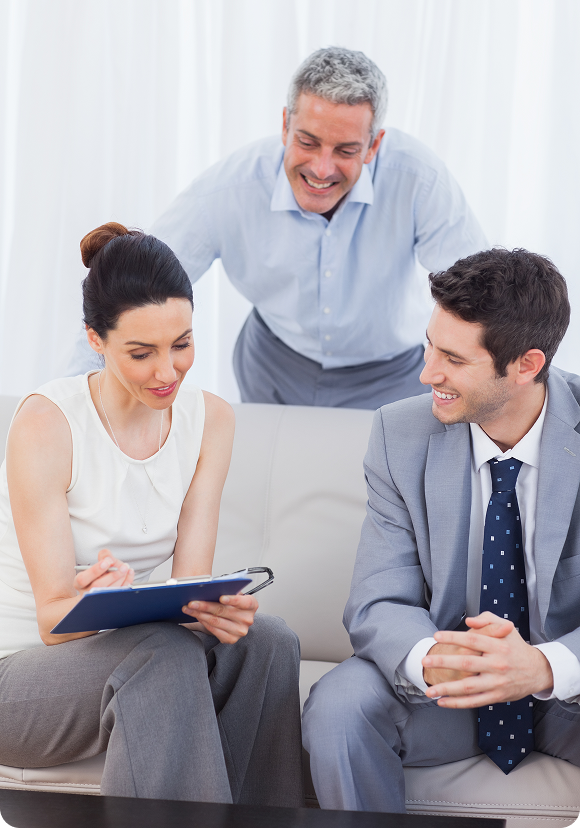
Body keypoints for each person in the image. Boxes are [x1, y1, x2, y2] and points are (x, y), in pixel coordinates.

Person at [0, 222, 303, 806]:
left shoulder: (210, 421)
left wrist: (213, 611)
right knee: (159, 657)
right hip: (23, 673)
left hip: (130, 647)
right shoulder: (47, 422)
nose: (168, 372)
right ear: (96, 339)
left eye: (182, 344)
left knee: (268, 641)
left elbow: (187, 593)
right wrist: (95, 603)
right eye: (141, 353)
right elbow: (52, 622)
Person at [302, 247, 580, 812]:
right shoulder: (398, 435)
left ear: (527, 364)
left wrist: (544, 665)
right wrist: (432, 656)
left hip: (567, 698)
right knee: (340, 704)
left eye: (453, 358)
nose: (428, 373)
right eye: (431, 346)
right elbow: (378, 597)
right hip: (445, 695)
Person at [67, 47, 487, 410]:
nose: (322, 169)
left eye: (345, 150)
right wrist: (68, 402)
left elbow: (480, 298)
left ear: (374, 146)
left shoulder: (420, 179)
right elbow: (129, 285)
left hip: (390, 374)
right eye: (307, 142)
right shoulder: (228, 190)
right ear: (285, 125)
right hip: (273, 365)